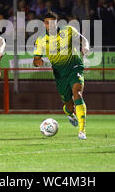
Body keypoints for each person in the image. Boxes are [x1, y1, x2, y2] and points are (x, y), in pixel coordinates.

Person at [33, 12, 90, 140]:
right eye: (47, 23)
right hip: (60, 74)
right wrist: (38, 62)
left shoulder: (69, 30)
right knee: (69, 104)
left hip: (75, 66)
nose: (50, 25)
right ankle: (69, 112)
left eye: (52, 22)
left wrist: (85, 47)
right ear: (44, 24)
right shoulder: (41, 40)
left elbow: (83, 39)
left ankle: (82, 131)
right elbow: (36, 59)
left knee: (77, 93)